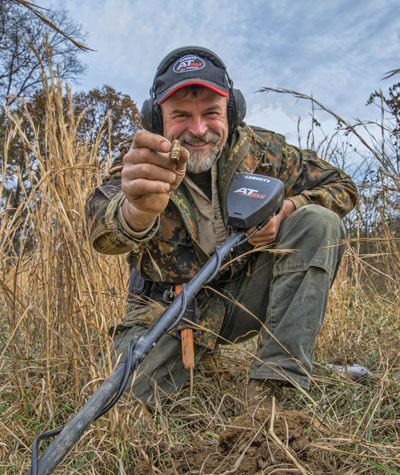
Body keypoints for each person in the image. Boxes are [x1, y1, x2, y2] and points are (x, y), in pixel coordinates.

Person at [86, 46, 358, 409]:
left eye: (211, 113)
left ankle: (275, 393)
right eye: (181, 115)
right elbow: (101, 230)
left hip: (244, 294)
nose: (198, 130)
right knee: (124, 401)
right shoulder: (141, 163)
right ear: (157, 119)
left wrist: (287, 209)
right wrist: (138, 212)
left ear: (232, 111)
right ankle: (199, 359)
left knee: (318, 222)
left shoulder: (265, 151)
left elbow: (342, 185)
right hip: (169, 309)